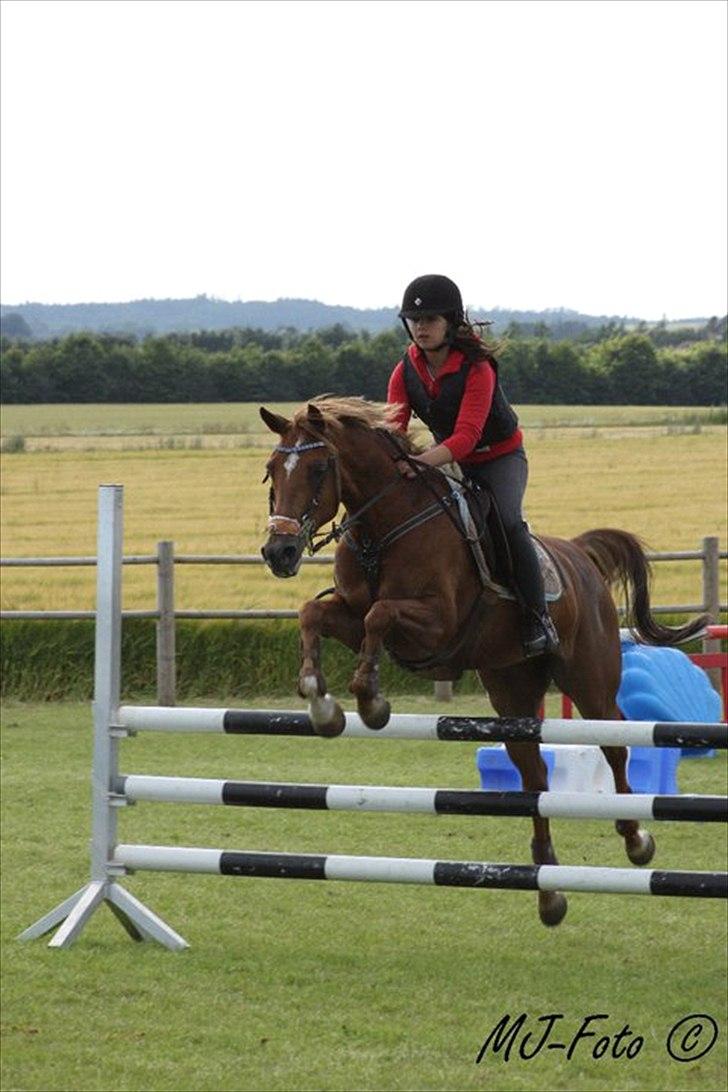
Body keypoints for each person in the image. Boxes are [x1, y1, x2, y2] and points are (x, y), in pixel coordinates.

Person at [386, 273, 559, 658]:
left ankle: (537, 618)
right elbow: (394, 426)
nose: (421, 327)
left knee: (509, 523)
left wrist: (418, 462)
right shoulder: (405, 370)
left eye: (429, 320)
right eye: (415, 321)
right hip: (445, 457)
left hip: (498, 457)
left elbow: (466, 436)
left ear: (450, 322)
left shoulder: (478, 368)